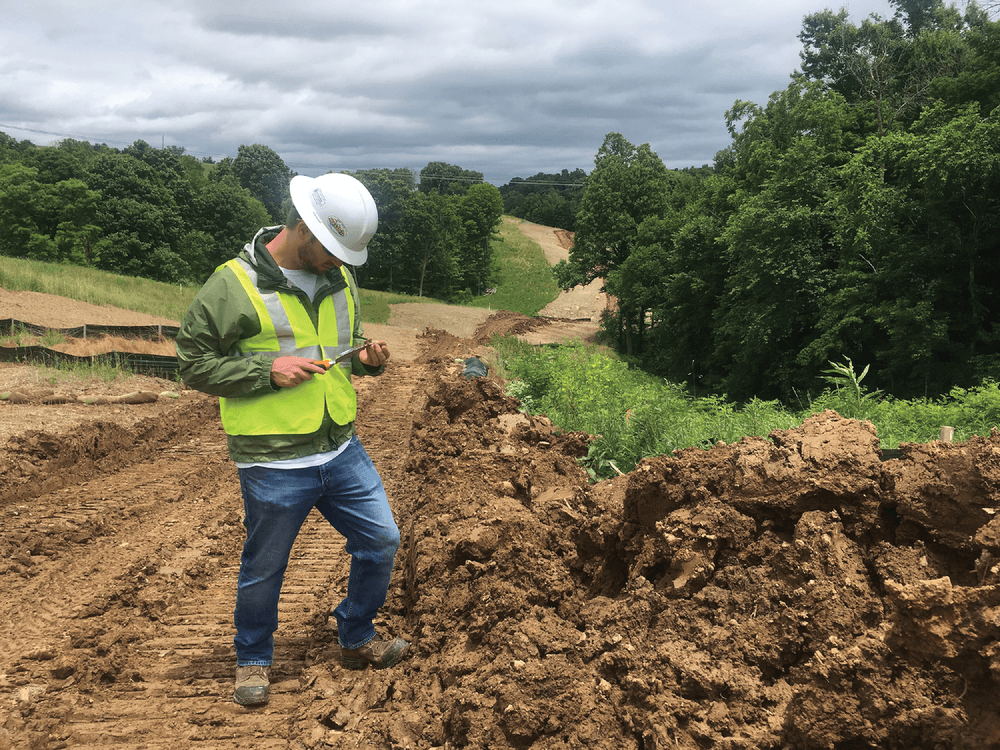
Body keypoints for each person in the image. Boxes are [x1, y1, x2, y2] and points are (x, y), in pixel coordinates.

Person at [175, 172, 408, 707]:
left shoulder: (340, 276)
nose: (339, 263)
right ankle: (253, 657)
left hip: (341, 446)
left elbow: (342, 343)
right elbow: (192, 363)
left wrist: (367, 359)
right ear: (303, 227)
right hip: (273, 458)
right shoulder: (232, 284)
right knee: (266, 567)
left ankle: (356, 635)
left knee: (381, 541)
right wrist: (266, 370)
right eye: (331, 250)